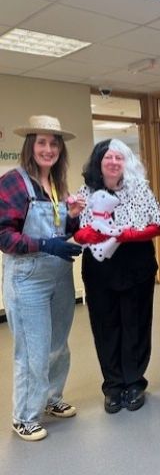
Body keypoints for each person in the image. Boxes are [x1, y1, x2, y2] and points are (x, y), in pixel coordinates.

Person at [0, 115, 83, 441]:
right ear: (29, 146)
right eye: (42, 143)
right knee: (32, 350)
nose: (48, 149)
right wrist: (44, 245)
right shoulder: (13, 182)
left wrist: (74, 218)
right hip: (28, 277)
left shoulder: (57, 184)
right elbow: (4, 236)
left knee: (58, 344)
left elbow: (62, 229)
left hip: (59, 273)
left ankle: (51, 398)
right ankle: (24, 416)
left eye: (54, 144)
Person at [74, 139, 160, 414]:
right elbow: (75, 228)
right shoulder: (85, 192)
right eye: (108, 157)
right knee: (105, 325)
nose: (113, 162)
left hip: (136, 263)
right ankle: (113, 385)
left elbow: (157, 224)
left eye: (119, 158)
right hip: (99, 267)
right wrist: (86, 234)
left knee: (136, 323)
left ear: (126, 162)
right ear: (98, 162)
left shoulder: (140, 189)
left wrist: (130, 234)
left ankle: (135, 382)